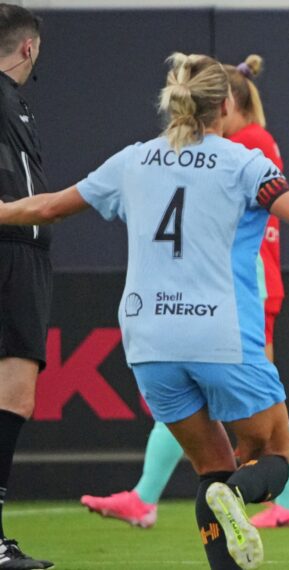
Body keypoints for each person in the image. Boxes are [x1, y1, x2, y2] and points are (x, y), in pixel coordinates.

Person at [0, 53, 289, 569]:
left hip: (147, 340)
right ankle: (239, 495)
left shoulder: (131, 159)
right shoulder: (245, 163)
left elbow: (44, 208)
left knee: (212, 467)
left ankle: (224, 516)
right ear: (224, 105)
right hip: (220, 333)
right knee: (271, 454)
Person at [79, 54, 289, 530]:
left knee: (250, 424)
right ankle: (245, 496)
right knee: (247, 421)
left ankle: (279, 501)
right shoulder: (237, 150)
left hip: (233, 294)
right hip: (219, 297)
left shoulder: (246, 147)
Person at [0, 5, 52, 569]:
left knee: (14, 393)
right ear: (28, 49)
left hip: (22, 253)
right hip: (10, 253)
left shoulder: (15, 104)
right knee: (13, 393)